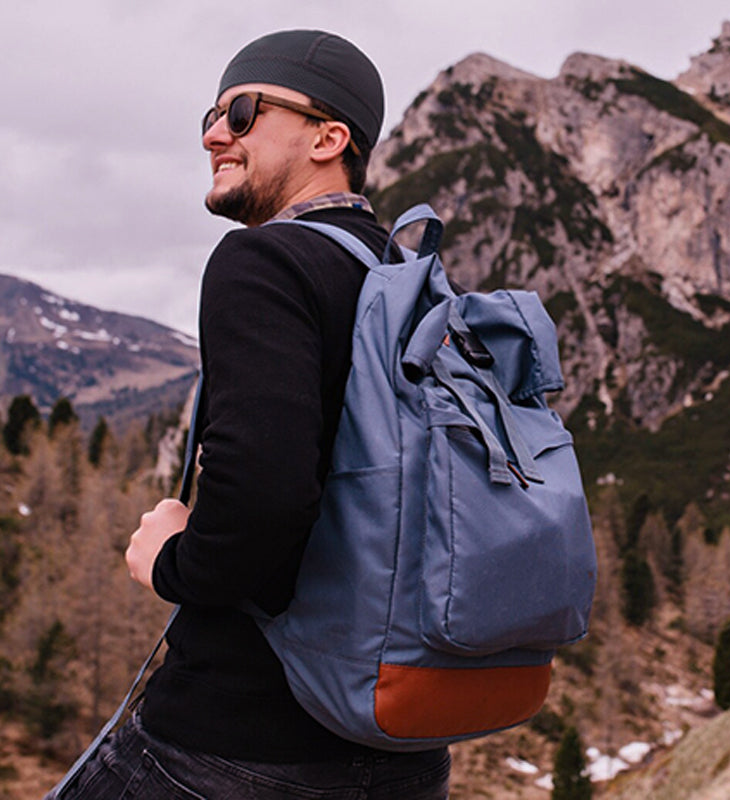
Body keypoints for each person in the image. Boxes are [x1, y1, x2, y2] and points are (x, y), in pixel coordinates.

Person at [45, 29, 450, 800]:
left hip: (233, 747)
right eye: (212, 113)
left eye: (241, 112)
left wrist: (169, 559)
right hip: (403, 746)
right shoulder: (411, 280)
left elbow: (261, 497)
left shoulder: (265, 259)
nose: (212, 134)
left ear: (331, 138)